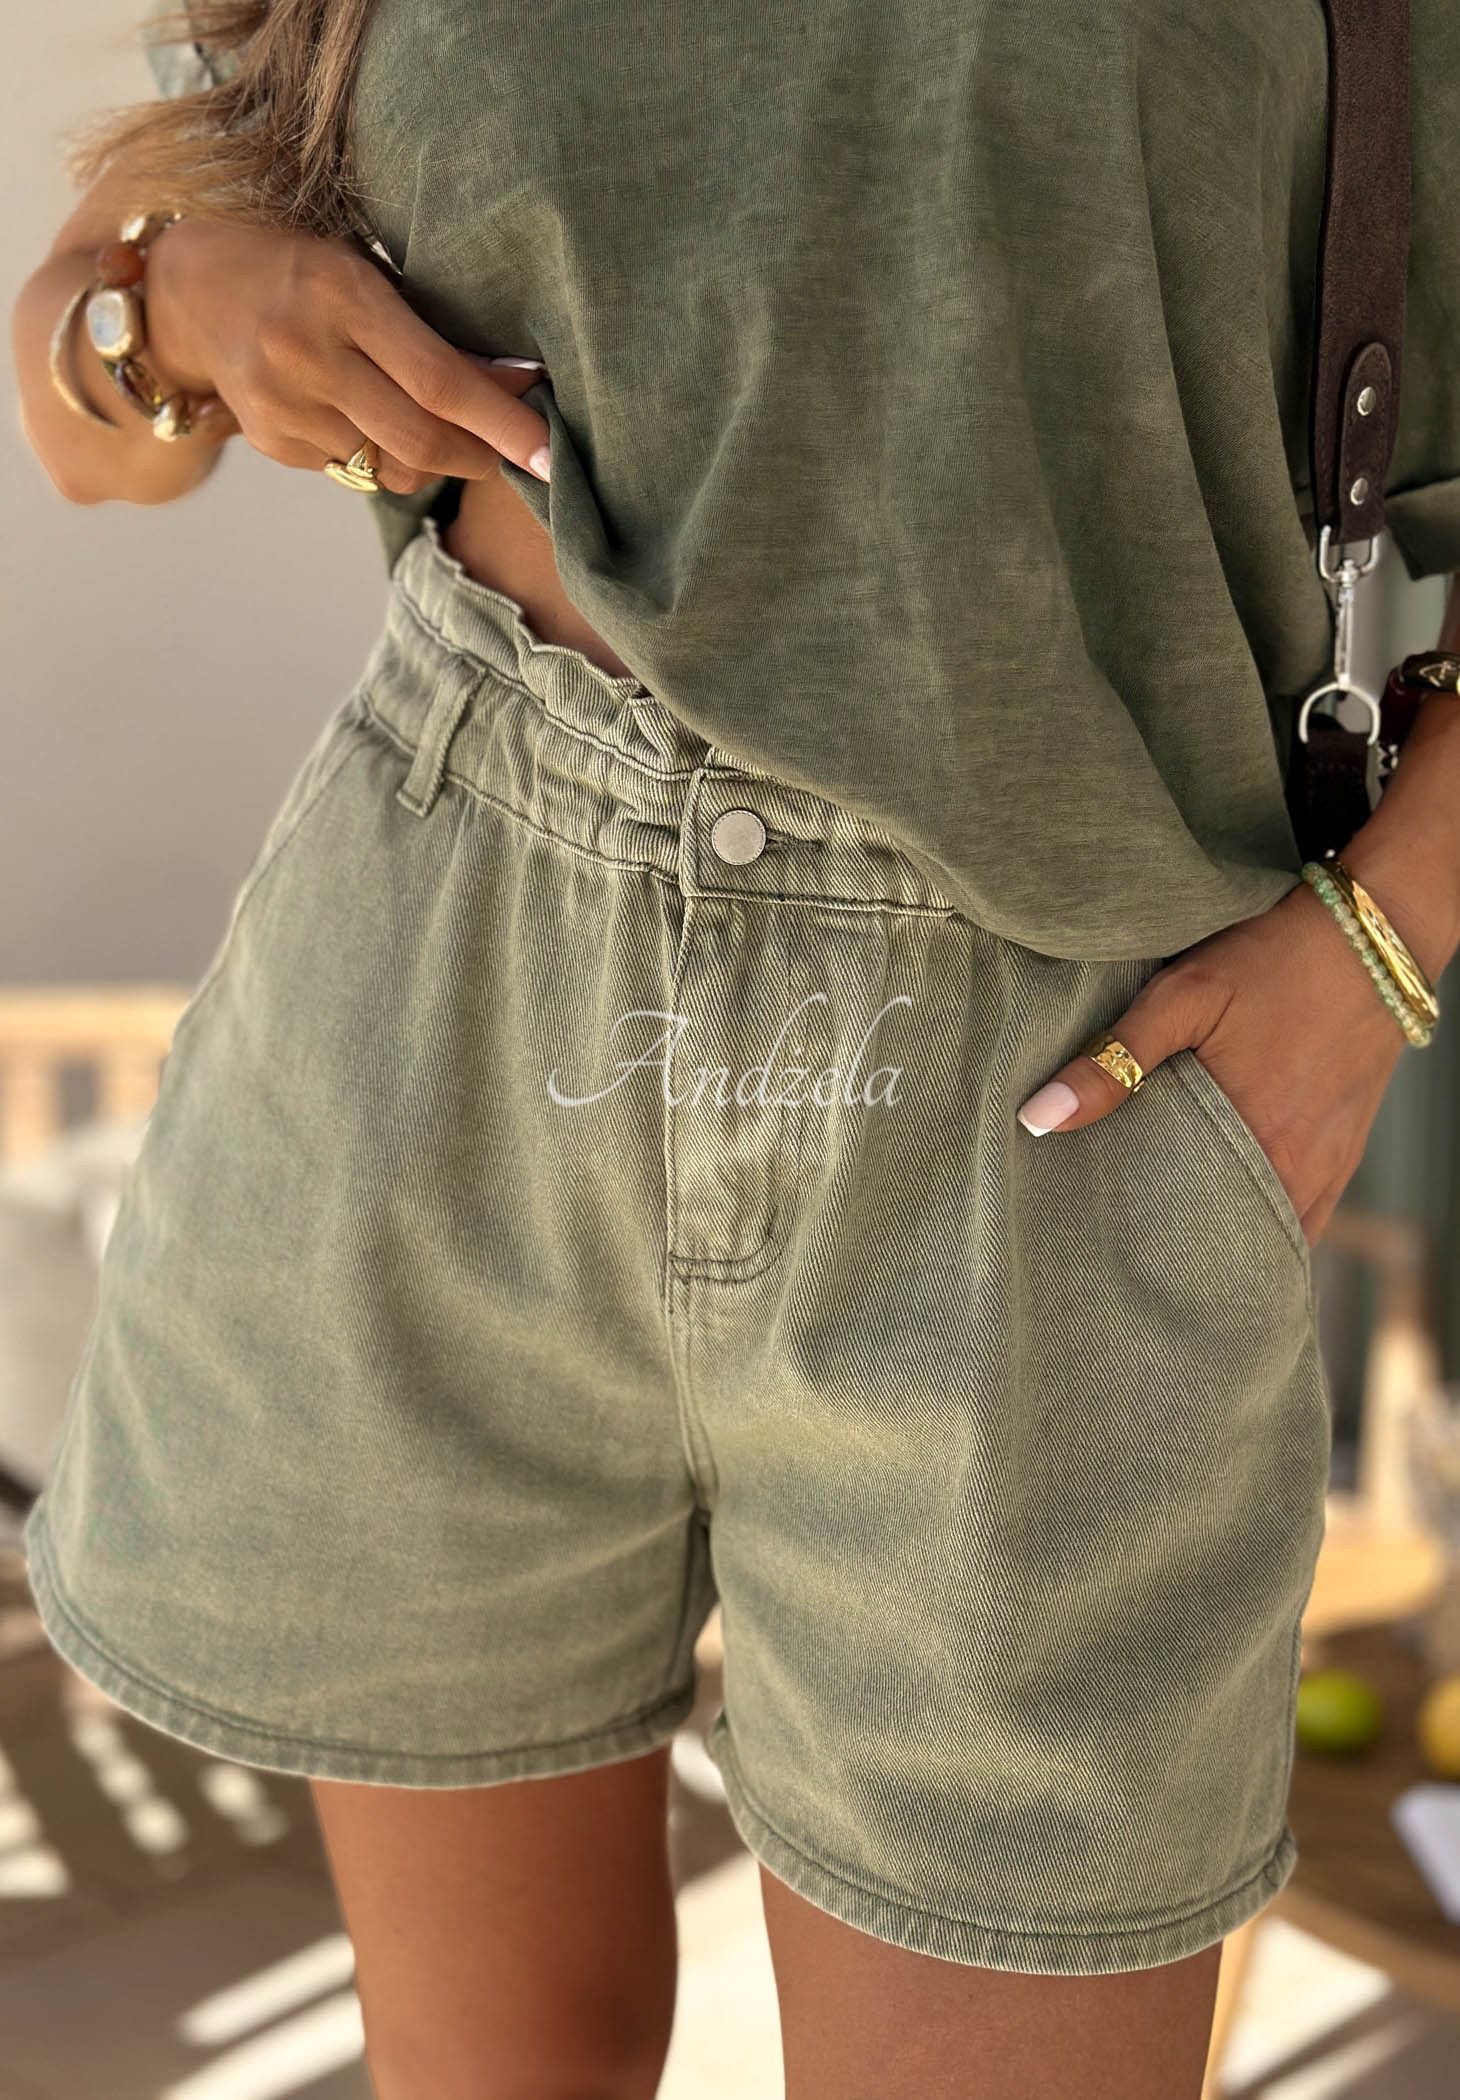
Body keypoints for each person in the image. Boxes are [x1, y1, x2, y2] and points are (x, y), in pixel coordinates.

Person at [11, 3, 1460, 2094]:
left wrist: (1376, 954)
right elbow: (92, 396)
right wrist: (167, 316)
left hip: (1043, 1092)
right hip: (456, 995)